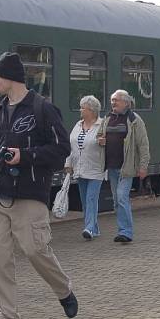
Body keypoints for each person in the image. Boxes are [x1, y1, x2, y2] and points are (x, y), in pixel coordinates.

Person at [0, 52, 77, 319]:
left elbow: (61, 150)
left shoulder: (42, 109)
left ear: (11, 77)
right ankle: (7, 315)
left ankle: (64, 290)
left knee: (35, 249)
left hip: (30, 191)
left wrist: (25, 156)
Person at [97, 89, 150, 243]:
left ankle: (126, 232)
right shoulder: (107, 118)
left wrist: (143, 166)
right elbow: (99, 135)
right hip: (112, 166)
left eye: (117, 100)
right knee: (116, 199)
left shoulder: (134, 120)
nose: (113, 103)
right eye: (112, 100)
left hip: (126, 167)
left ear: (126, 103)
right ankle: (122, 230)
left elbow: (143, 145)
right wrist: (100, 140)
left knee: (121, 197)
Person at [64, 95, 104, 240]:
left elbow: (111, 144)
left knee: (91, 199)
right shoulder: (78, 125)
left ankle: (89, 228)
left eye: (83, 108)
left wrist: (105, 143)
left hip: (95, 169)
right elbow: (71, 146)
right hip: (80, 169)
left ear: (92, 111)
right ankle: (95, 228)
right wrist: (68, 164)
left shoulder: (102, 125)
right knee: (85, 201)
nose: (80, 110)